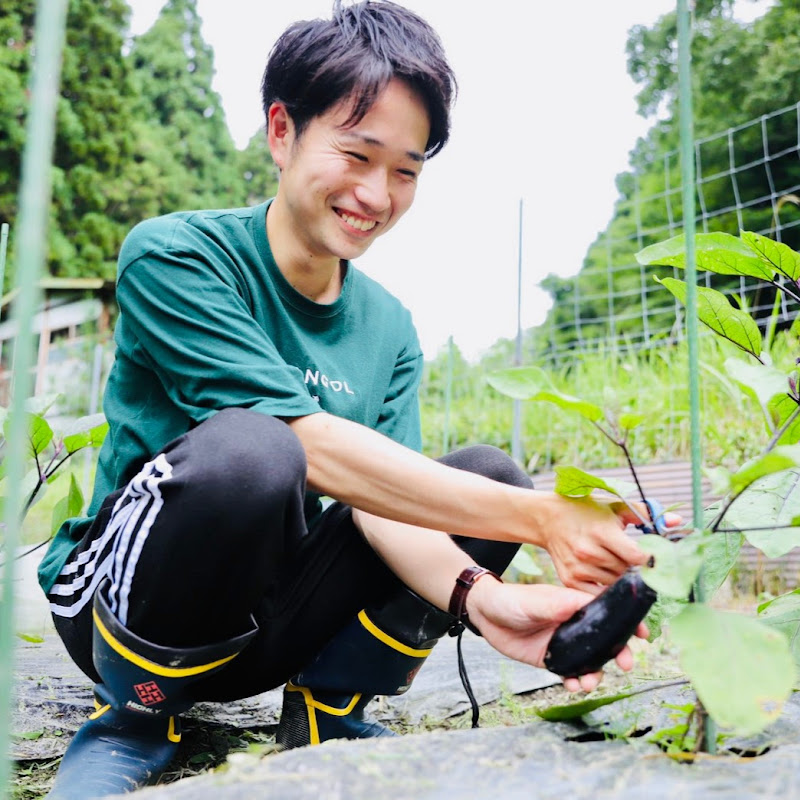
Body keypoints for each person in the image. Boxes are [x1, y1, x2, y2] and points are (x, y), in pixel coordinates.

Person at [38, 2, 666, 797]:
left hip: (265, 623)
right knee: (255, 452)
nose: (377, 194)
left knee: (491, 476)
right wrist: (547, 519)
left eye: (405, 170)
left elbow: (384, 503)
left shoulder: (389, 328)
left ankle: (329, 703)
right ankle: (132, 718)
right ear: (280, 132)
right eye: (357, 154)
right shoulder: (176, 255)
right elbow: (311, 445)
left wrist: (489, 600)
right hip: (122, 615)